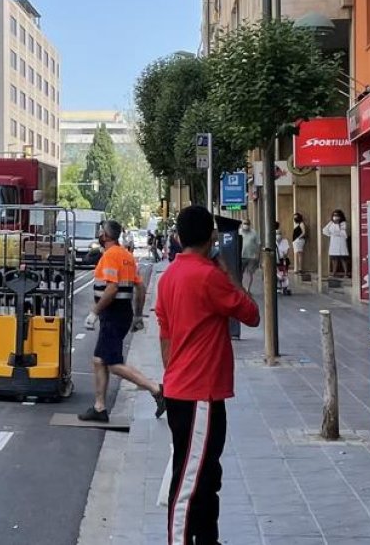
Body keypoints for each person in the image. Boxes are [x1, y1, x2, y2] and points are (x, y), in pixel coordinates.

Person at [154, 205, 260, 545]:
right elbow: (251, 314)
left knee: (206, 474)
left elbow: (165, 336)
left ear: (179, 237)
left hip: (184, 389)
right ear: (212, 236)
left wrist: (172, 376)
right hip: (199, 394)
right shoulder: (209, 277)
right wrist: (230, 274)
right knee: (190, 481)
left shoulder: (169, 276)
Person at [79, 220, 165, 423]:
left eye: (101, 232)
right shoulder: (127, 255)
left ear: (106, 236)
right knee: (99, 359)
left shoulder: (110, 256)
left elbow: (111, 288)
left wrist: (94, 312)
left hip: (112, 314)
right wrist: (137, 315)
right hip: (123, 313)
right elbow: (140, 287)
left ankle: (156, 389)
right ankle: (99, 407)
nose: (99, 234)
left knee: (112, 363)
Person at [322, 209, 349, 278]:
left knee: (343, 258)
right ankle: (334, 273)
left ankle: (346, 273)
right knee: (334, 258)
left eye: (337, 215)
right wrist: (331, 234)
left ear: (340, 216)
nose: (335, 217)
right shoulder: (331, 223)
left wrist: (336, 226)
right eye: (334, 215)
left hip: (341, 242)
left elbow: (342, 232)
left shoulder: (343, 223)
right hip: (333, 242)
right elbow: (324, 230)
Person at [239, 219, 260, 293]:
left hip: (252, 257)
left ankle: (248, 289)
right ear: (242, 224)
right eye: (244, 223)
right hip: (241, 256)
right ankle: (241, 288)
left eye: (247, 223)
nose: (246, 225)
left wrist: (258, 255)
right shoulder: (239, 232)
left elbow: (258, 244)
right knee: (240, 273)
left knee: (250, 274)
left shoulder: (254, 233)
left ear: (250, 224)